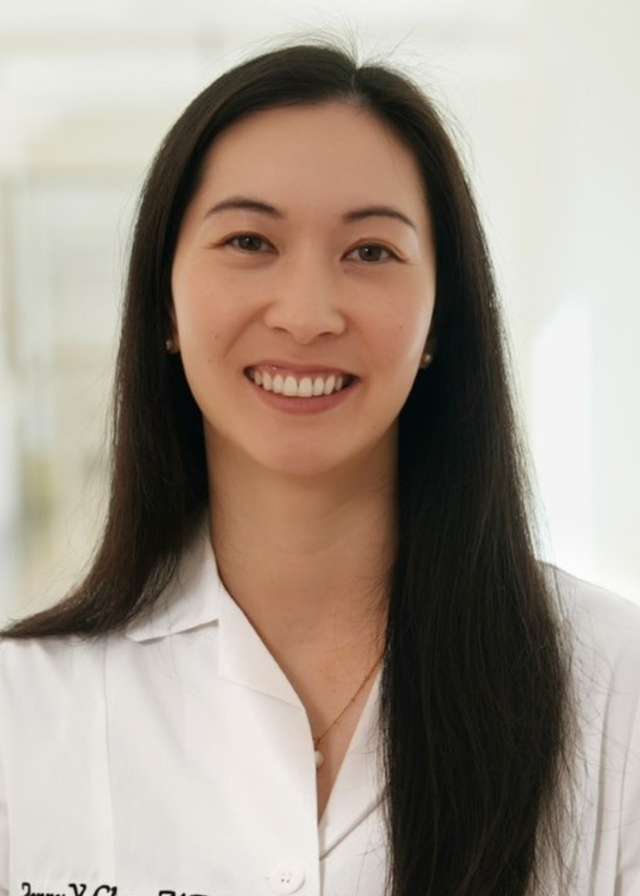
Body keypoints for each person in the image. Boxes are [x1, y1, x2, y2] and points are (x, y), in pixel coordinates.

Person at [1, 32, 639, 896]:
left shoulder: (612, 687)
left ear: (439, 323)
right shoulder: (25, 709)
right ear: (166, 306)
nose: (306, 314)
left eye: (371, 252)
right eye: (249, 243)